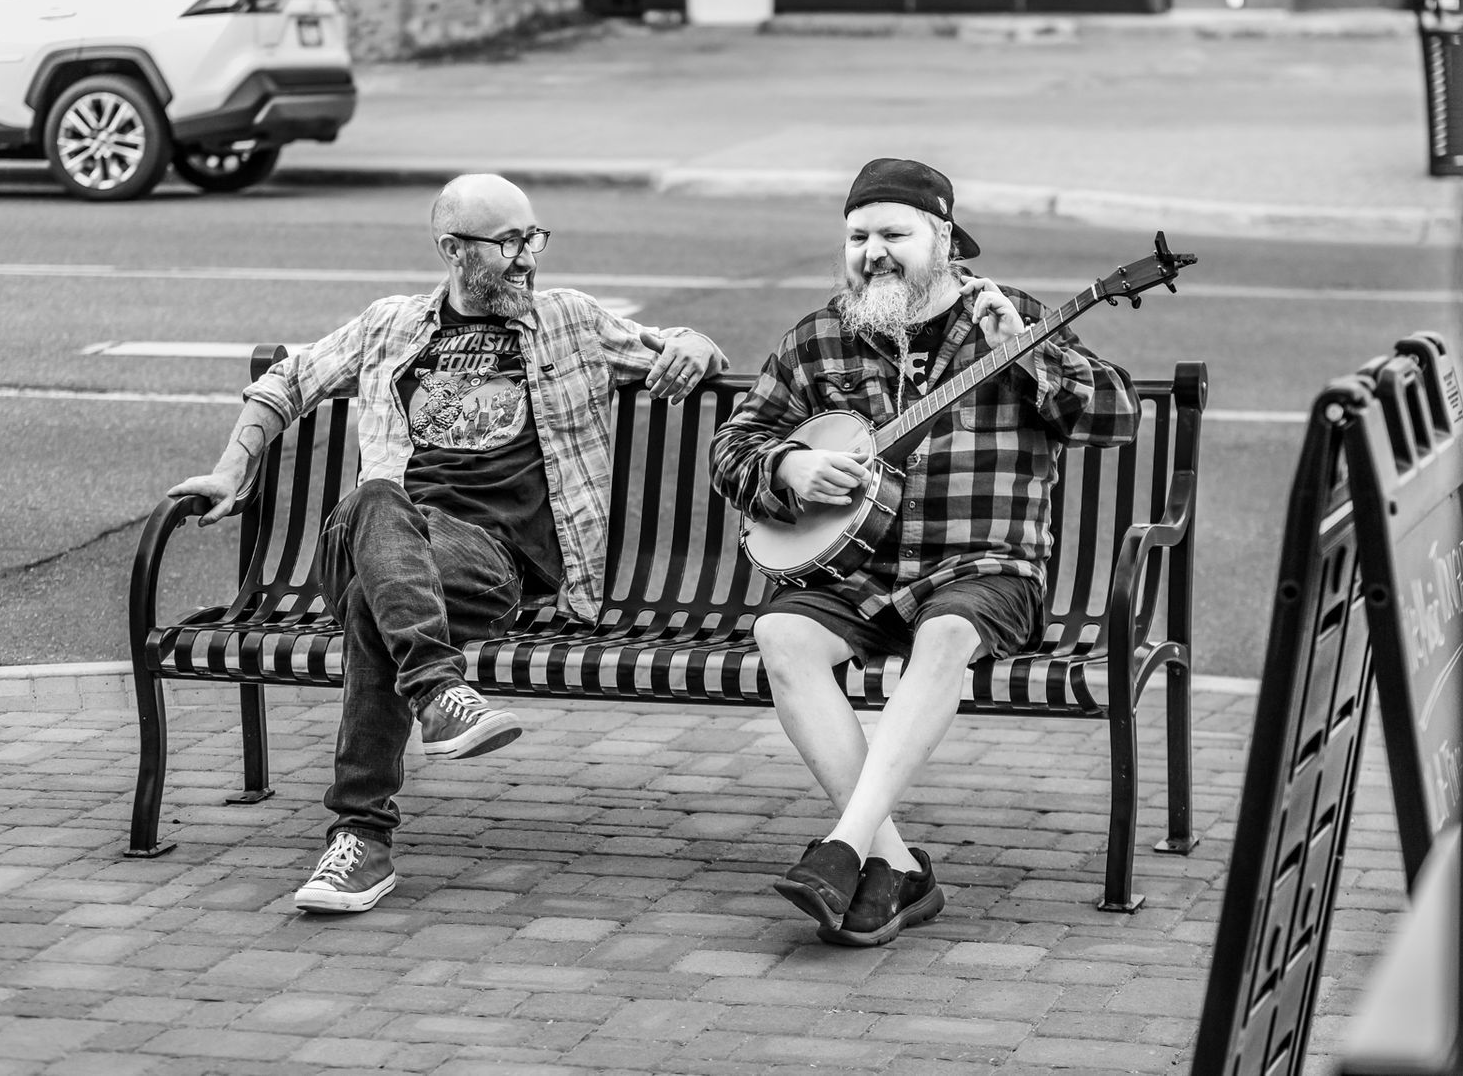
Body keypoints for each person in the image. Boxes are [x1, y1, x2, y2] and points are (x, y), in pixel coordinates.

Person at [168, 174, 728, 914]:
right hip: (374, 531)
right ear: (451, 251)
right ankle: (436, 693)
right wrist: (228, 472)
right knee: (376, 501)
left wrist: (695, 342)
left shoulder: (571, 322)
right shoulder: (389, 325)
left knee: (379, 600)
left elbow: (684, 350)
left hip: (488, 566)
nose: (529, 258)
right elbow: (288, 380)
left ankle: (363, 836)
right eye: (508, 244)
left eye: (535, 237)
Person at [710, 158, 1139, 947]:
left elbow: (1116, 419)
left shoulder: (1010, 319)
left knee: (942, 636)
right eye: (857, 235)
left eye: (894, 234)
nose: (873, 251)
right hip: (859, 571)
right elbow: (733, 446)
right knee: (781, 634)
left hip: (984, 569)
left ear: (943, 238)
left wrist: (1034, 354)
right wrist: (790, 467)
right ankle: (893, 862)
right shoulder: (818, 336)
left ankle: (843, 846)